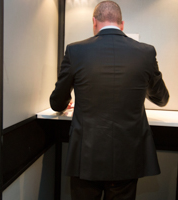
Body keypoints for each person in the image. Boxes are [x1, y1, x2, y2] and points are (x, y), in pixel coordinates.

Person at [50, 1, 169, 199]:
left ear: (94, 22)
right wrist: (141, 85)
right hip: (127, 156)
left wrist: (67, 101)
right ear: (122, 24)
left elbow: (57, 102)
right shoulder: (146, 52)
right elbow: (162, 99)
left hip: (85, 156)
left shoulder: (75, 51)